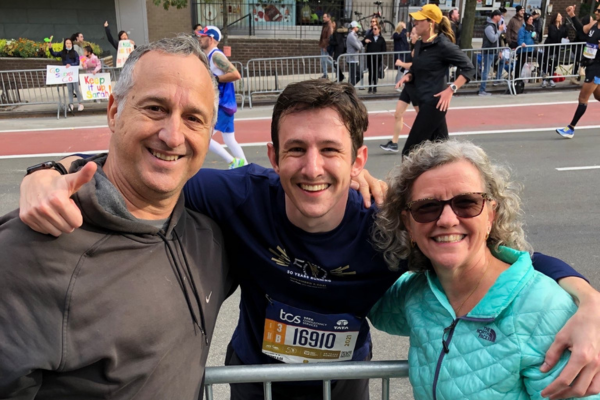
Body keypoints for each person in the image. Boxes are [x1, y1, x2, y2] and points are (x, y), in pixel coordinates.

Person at [18, 79, 600, 400]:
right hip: (254, 379)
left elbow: (494, 256)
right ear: (273, 157)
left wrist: (589, 301)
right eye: (295, 150)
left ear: (358, 161)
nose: (312, 167)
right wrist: (50, 169)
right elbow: (144, 171)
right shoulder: (240, 194)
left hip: (341, 386)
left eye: (330, 151)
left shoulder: (387, 220)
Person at [0, 35, 233, 399]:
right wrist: (47, 170)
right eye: (155, 108)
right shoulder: (25, 252)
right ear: (113, 111)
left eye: (193, 118)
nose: (173, 136)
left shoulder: (210, 235)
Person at [369, 139, 600, 400]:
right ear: (408, 225)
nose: (447, 220)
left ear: (491, 215)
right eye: (426, 207)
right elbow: (365, 298)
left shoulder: (544, 309)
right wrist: (350, 187)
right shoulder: (416, 294)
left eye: (466, 203)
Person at [396, 4, 474, 156]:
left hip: (435, 104)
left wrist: (451, 89)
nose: (415, 23)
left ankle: (408, 181)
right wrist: (409, 75)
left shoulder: (443, 46)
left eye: (419, 20)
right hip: (423, 101)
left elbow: (469, 68)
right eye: (415, 20)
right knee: (443, 152)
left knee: (409, 153)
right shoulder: (419, 44)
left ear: (431, 23)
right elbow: (417, 68)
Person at [197, 25, 247, 169]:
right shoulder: (209, 55)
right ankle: (246, 167)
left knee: (205, 138)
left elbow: (235, 74)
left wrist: (214, 79)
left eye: (202, 36)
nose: (200, 39)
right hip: (224, 104)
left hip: (222, 104)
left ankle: (232, 161)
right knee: (229, 139)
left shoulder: (216, 55)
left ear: (211, 39)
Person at [557, 5, 600, 139]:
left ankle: (570, 128)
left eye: (599, 10)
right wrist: (572, 15)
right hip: (589, 65)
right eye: (597, 10)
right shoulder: (593, 24)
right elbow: (582, 33)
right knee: (598, 97)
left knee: (583, 98)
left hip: (597, 68)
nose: (596, 12)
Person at [381, 27, 420, 153]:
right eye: (411, 33)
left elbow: (415, 65)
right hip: (408, 85)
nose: (411, 35)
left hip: (415, 86)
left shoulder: (419, 48)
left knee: (423, 116)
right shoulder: (413, 47)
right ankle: (394, 143)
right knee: (398, 114)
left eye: (414, 33)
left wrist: (401, 64)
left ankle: (429, 140)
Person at [47, 38, 85, 112]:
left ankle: (80, 103)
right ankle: (71, 103)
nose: (68, 45)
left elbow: (77, 62)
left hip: (73, 73)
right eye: (67, 43)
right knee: (70, 89)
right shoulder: (63, 53)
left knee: (76, 88)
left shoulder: (74, 53)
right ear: (65, 44)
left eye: (70, 43)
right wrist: (50, 48)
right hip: (67, 74)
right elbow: (55, 54)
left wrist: (70, 65)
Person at [480, 10, 506, 96]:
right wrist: (499, 31)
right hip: (489, 51)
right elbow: (493, 39)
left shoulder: (495, 26)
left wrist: (499, 51)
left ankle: (497, 79)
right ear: (495, 16)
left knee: (502, 61)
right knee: (486, 70)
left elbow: (497, 41)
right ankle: (482, 90)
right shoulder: (489, 27)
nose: (501, 18)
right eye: (499, 16)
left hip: (494, 51)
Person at [514, 14, 543, 87]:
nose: (531, 21)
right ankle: (516, 78)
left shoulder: (532, 27)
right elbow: (520, 39)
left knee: (539, 55)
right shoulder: (522, 29)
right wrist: (522, 43)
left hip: (531, 48)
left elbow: (534, 37)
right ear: (527, 20)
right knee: (520, 64)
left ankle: (541, 69)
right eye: (530, 20)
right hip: (523, 49)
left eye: (532, 20)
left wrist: (535, 36)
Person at [541, 12, 568, 88]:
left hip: (557, 48)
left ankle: (551, 79)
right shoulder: (551, 26)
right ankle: (544, 79)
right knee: (547, 63)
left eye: (560, 16)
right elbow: (553, 35)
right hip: (550, 47)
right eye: (558, 16)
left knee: (554, 63)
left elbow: (565, 35)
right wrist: (560, 32)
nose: (560, 17)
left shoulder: (562, 27)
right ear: (555, 17)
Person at [364, 24, 387, 93]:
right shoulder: (369, 37)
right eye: (373, 29)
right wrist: (365, 41)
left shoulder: (381, 39)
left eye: (375, 29)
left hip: (377, 59)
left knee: (375, 73)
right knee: (370, 72)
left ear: (379, 30)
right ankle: (370, 87)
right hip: (370, 58)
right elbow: (362, 42)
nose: (374, 30)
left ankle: (375, 87)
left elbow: (384, 49)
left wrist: (380, 55)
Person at [346, 21, 364, 86]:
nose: (358, 28)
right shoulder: (351, 36)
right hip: (351, 60)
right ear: (354, 27)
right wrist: (360, 44)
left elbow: (359, 44)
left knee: (359, 75)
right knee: (353, 77)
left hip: (354, 59)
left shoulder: (354, 35)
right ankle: (349, 88)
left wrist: (360, 44)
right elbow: (359, 46)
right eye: (357, 27)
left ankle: (349, 87)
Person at [319, 13, 334, 79]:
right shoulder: (325, 25)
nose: (323, 18)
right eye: (323, 17)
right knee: (323, 60)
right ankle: (325, 74)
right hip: (323, 44)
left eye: (324, 17)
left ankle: (336, 69)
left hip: (325, 45)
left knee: (325, 59)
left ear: (328, 18)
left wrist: (326, 46)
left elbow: (329, 37)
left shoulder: (329, 26)